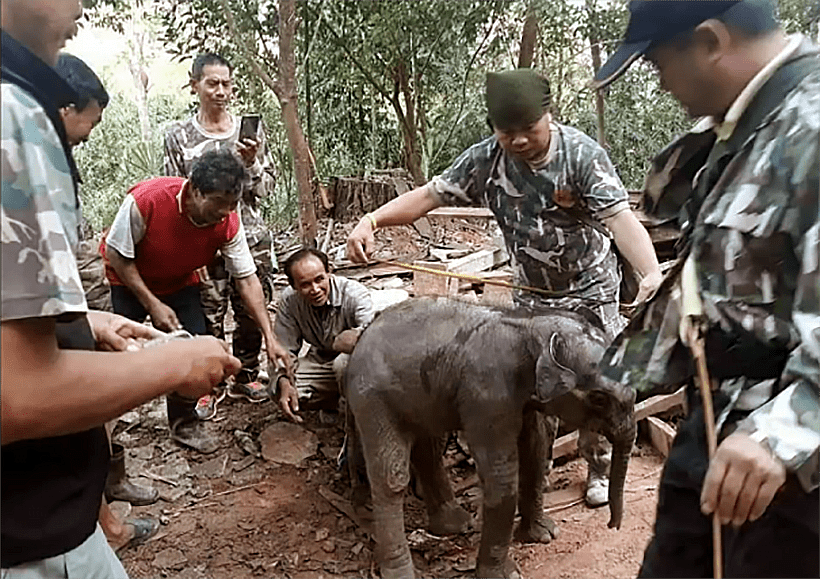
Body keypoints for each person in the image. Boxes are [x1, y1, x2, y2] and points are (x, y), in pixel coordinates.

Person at [346, 68, 662, 507]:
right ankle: (537, 475)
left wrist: (648, 271)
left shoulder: (582, 157)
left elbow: (620, 221)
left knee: (598, 385)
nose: (517, 141)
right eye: (505, 131)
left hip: (589, 292)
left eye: (528, 129)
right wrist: (372, 219)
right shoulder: (485, 161)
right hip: (531, 298)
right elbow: (429, 195)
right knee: (532, 391)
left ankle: (599, 466)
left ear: (548, 116)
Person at [1, 1, 241, 575]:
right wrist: (174, 363)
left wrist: (81, 324)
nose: (81, 6)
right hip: (30, 529)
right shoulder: (16, 118)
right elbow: (17, 394)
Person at [593, 0, 819, 576]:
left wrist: (782, 434)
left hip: (785, 465)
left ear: (711, 41)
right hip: (714, 427)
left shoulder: (811, 127)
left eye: (659, 64)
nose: (660, 82)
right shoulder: (740, 129)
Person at [102, 149, 290, 454]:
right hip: (128, 280)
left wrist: (270, 337)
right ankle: (103, 430)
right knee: (117, 350)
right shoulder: (147, 200)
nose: (224, 214)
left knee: (194, 350)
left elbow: (246, 278)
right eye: (218, 204)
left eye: (231, 206)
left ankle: (184, 422)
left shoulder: (229, 221)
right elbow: (118, 255)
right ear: (195, 190)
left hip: (179, 282)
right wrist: (152, 304)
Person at [55, 51, 160, 554]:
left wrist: (89, 320)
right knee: (69, 419)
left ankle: (106, 519)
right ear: (61, 109)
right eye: (87, 123)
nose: (88, 136)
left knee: (82, 427)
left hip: (63, 315)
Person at [165, 52, 278, 410]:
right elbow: (174, 192)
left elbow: (267, 190)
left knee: (250, 310)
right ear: (194, 84)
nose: (221, 91)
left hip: (250, 233)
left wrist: (253, 163)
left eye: (227, 84)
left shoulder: (252, 132)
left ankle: (245, 373)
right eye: (212, 83)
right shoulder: (178, 135)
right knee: (207, 312)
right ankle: (210, 383)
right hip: (202, 241)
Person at [274, 248, 375, 423]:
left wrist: (342, 343)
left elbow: (373, 340)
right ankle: (336, 401)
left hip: (356, 364)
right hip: (320, 361)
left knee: (342, 365)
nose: (315, 289)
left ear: (329, 272)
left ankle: (356, 412)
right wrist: (283, 381)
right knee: (281, 390)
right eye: (305, 284)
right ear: (293, 286)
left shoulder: (354, 294)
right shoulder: (289, 302)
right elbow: (283, 350)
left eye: (320, 279)